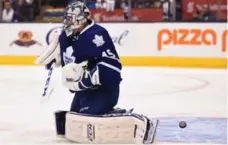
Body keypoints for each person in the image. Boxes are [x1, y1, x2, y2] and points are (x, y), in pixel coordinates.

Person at [35, 1, 157, 144]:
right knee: (76, 117)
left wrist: (90, 77)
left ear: (81, 19)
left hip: (104, 90)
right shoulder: (65, 36)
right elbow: (73, 61)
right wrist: (60, 59)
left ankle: (122, 115)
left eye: (70, 18)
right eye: (66, 18)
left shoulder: (96, 34)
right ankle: (100, 110)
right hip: (84, 91)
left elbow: (114, 67)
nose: (67, 22)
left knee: (88, 116)